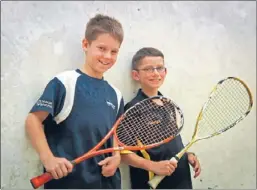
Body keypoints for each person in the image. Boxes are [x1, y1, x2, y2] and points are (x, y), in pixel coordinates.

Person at [25, 14, 125, 189]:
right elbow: (33, 120)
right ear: (85, 45)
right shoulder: (65, 83)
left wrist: (116, 157)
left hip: (108, 184)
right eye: (101, 48)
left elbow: (114, 133)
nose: (107, 56)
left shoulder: (116, 95)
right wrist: (48, 159)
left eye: (114, 51)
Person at [121, 47, 201, 189]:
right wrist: (153, 166)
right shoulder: (133, 109)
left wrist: (186, 154)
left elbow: (170, 142)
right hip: (153, 184)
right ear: (136, 75)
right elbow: (123, 153)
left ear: (166, 72)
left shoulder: (169, 104)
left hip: (181, 181)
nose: (156, 73)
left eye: (159, 68)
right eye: (148, 69)